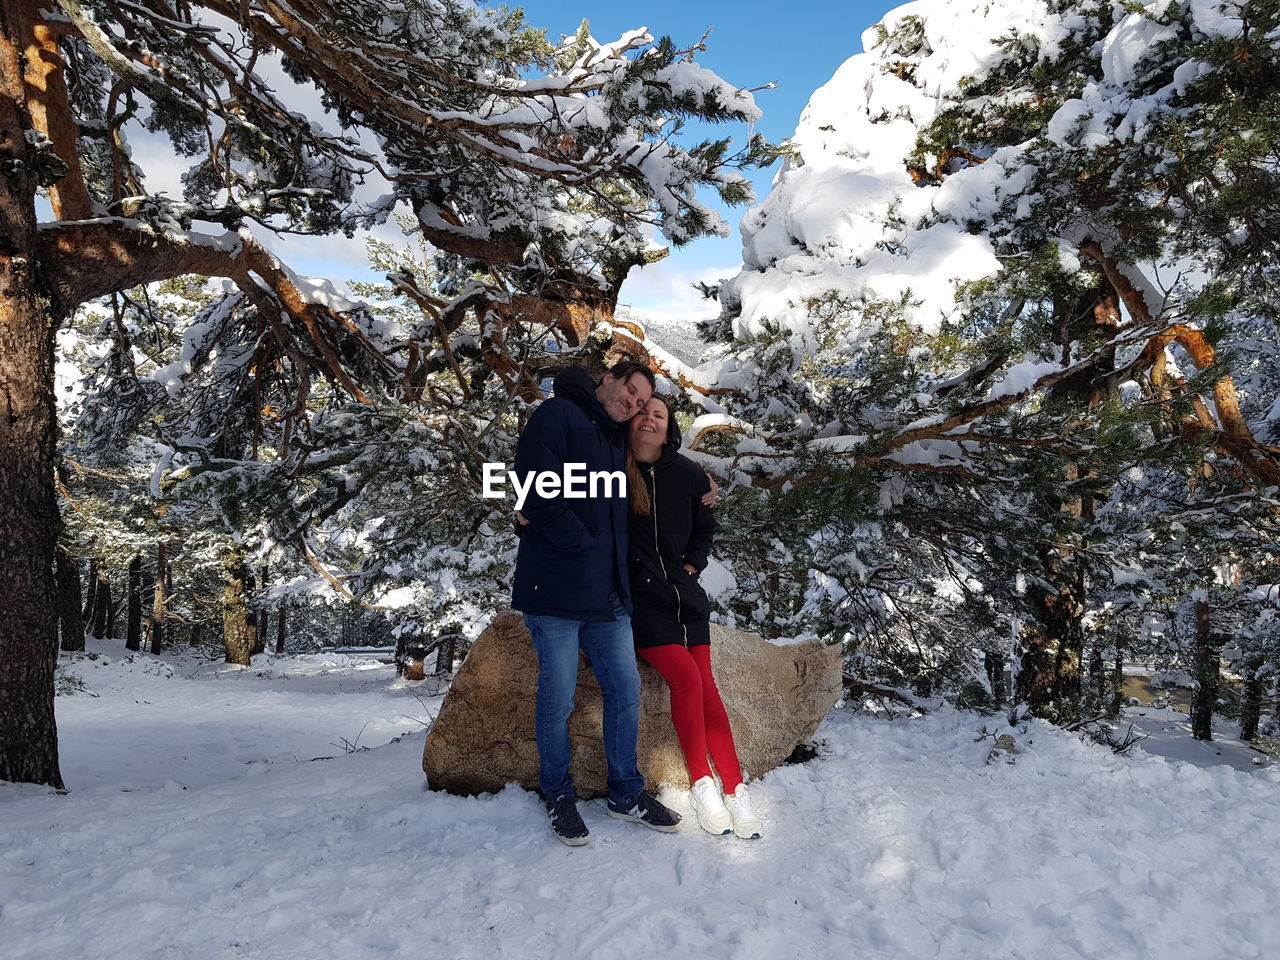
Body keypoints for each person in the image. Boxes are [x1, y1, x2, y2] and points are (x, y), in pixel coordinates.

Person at [512, 361, 682, 846]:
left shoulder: (613, 437)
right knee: (559, 699)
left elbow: (658, 462)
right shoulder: (558, 415)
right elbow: (532, 489)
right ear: (606, 379)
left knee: (625, 693)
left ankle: (625, 792)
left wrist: (703, 488)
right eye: (629, 391)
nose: (632, 404)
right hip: (556, 593)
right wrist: (582, 546)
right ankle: (558, 795)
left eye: (639, 401)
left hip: (607, 597)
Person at [624, 394, 764, 839]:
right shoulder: (609, 470)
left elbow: (705, 526)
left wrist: (692, 565)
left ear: (669, 427)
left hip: (687, 600)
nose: (649, 419)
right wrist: (523, 508)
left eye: (659, 415)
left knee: (707, 688)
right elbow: (550, 483)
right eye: (642, 412)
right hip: (643, 604)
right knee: (687, 681)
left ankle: (735, 787)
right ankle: (703, 783)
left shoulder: (686, 474)